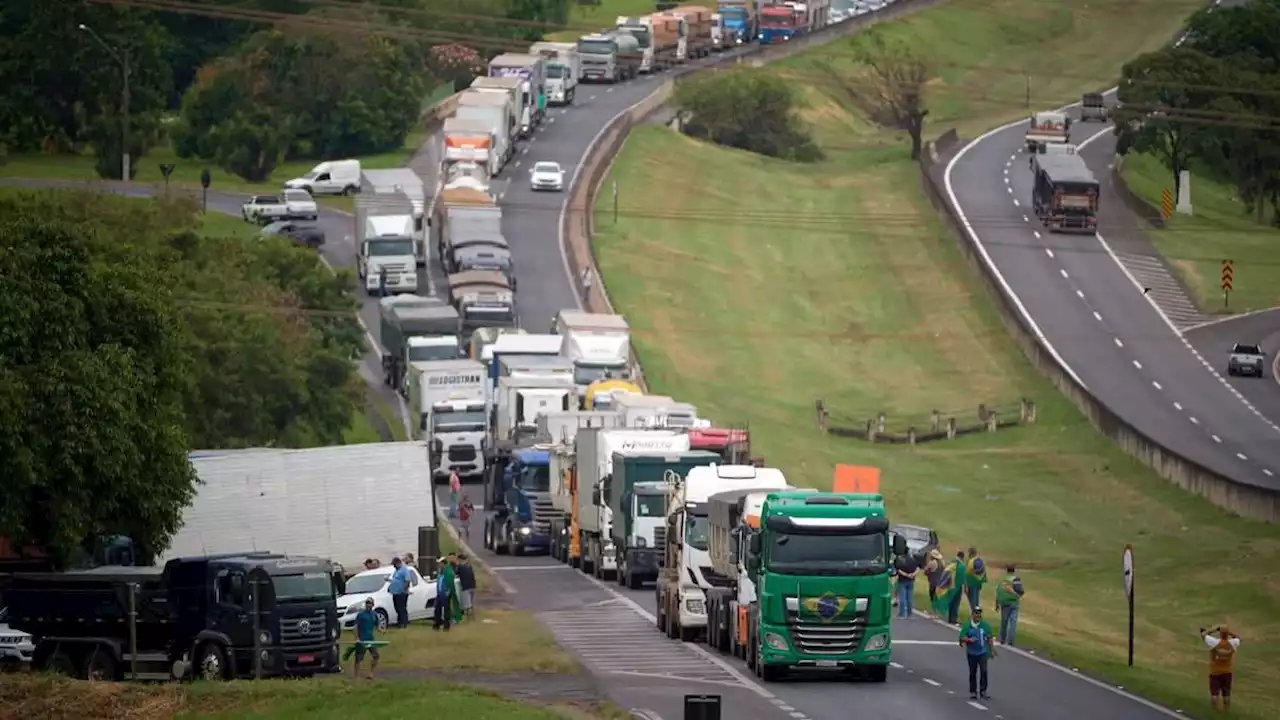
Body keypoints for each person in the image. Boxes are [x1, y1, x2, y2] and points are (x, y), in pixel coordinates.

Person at [959, 606, 997, 700]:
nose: (977, 615)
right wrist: (968, 640)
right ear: (972, 614)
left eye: (979, 613)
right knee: (973, 672)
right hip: (971, 653)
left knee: (984, 671)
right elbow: (961, 637)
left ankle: (983, 691)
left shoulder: (985, 625)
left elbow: (989, 638)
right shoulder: (968, 625)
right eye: (976, 613)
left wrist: (992, 650)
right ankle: (973, 691)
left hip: (983, 652)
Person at [1201, 625, 1241, 711]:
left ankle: (1214, 710)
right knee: (1226, 694)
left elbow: (1203, 634)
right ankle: (1226, 710)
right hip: (1227, 672)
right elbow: (1238, 638)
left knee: (1214, 694)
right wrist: (1229, 632)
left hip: (1215, 672)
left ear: (1220, 634)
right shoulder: (1232, 643)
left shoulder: (1214, 642)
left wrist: (1214, 629)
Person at [351, 597, 382, 679]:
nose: (368, 605)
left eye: (370, 603)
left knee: (376, 656)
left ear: (373, 605)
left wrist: (381, 631)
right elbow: (355, 627)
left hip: (370, 640)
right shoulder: (360, 615)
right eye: (367, 603)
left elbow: (377, 626)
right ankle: (356, 675)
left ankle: (371, 673)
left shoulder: (374, 614)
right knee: (358, 659)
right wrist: (357, 638)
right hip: (362, 640)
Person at [995, 565, 1025, 646]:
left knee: (1004, 622)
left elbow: (998, 592)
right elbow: (1021, 591)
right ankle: (1011, 640)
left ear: (1007, 571)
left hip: (1004, 604)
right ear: (1014, 571)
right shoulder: (1016, 580)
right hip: (1014, 603)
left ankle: (1002, 639)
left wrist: (997, 604)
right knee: (1013, 622)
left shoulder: (1002, 580)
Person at [387, 557, 416, 629]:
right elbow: (395, 580)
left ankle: (404, 623)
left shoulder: (404, 569)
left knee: (402, 608)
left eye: (394, 564)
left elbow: (407, 580)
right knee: (397, 608)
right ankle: (400, 623)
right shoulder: (396, 571)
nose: (394, 566)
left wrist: (404, 589)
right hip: (395, 592)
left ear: (398, 563)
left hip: (402, 592)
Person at [433, 555, 457, 631]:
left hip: (445, 593)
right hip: (440, 593)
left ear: (443, 563)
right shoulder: (440, 572)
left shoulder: (448, 572)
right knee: (437, 609)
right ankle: (437, 624)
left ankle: (446, 626)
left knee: (446, 610)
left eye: (440, 563)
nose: (439, 565)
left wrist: (448, 592)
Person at [894, 549, 919, 618]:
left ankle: (902, 614)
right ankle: (909, 614)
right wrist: (912, 574)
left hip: (902, 580)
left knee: (902, 598)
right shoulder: (913, 560)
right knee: (910, 598)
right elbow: (918, 568)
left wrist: (905, 574)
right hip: (911, 580)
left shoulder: (900, 560)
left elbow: (898, 570)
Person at [455, 553, 477, 617]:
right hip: (472, 586)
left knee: (467, 604)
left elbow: (455, 574)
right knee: (471, 602)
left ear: (460, 559)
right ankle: (472, 615)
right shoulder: (469, 566)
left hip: (465, 587)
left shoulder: (459, 567)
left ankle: (469, 617)